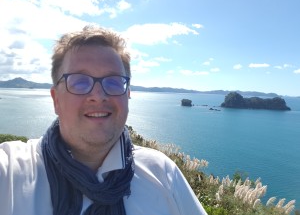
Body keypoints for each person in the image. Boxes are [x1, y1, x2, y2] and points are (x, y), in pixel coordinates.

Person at [0, 26, 207, 215]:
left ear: (127, 95)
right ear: (56, 100)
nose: (98, 95)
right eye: (79, 82)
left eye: (114, 82)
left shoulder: (161, 173)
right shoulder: (10, 172)